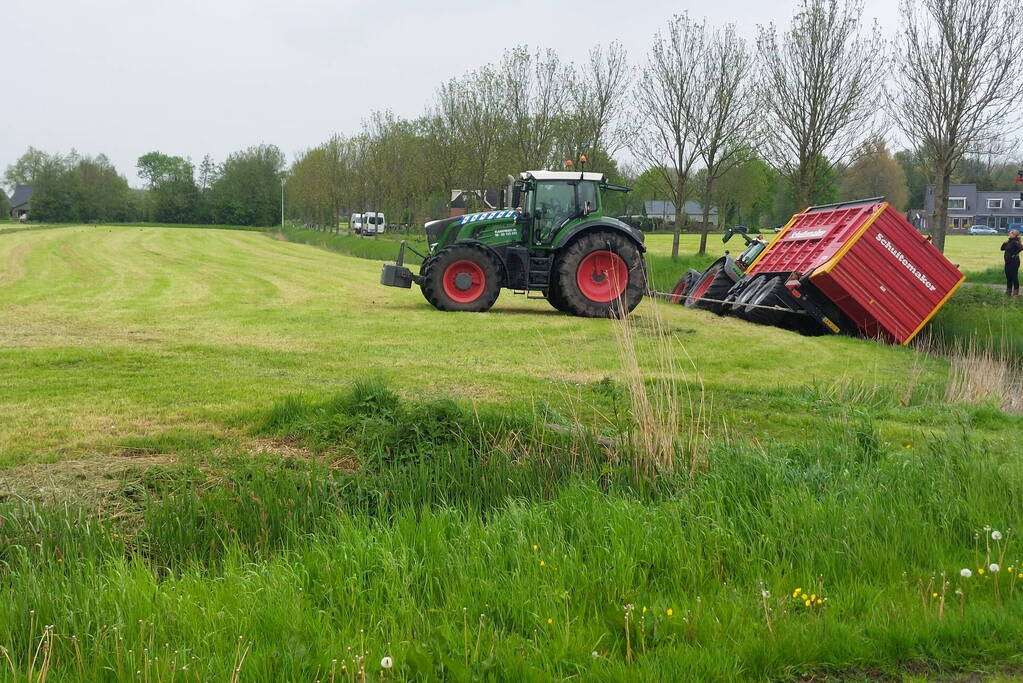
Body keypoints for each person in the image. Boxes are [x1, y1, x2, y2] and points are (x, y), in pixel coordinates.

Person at [1001, 229, 1022, 296]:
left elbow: (1021, 248)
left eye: (1011, 233)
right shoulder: (1009, 241)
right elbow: (1002, 249)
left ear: (1014, 235)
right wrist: (1004, 243)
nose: (1009, 234)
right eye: (1009, 233)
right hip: (1008, 262)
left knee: (1014, 276)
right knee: (1008, 277)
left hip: (1014, 262)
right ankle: (1008, 291)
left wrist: (1015, 254)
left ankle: (1015, 293)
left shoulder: (1015, 241)